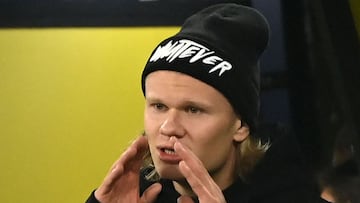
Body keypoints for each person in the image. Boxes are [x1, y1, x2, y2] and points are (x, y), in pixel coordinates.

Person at [86, 3, 324, 203]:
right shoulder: (136, 195)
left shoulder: (293, 193)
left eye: (193, 110)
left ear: (240, 126)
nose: (168, 127)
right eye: (159, 106)